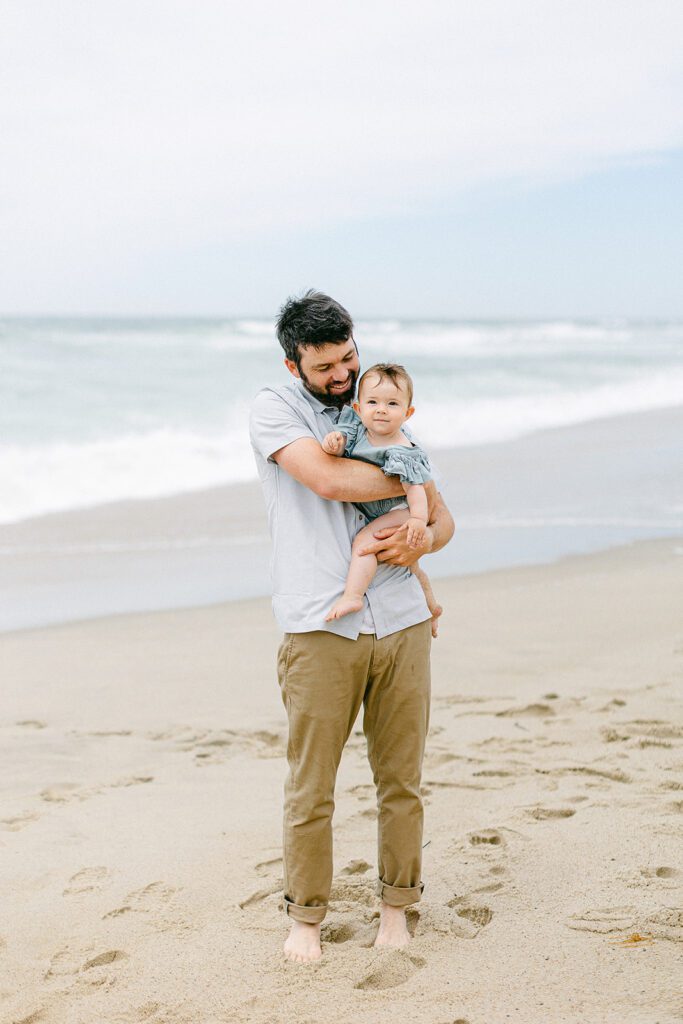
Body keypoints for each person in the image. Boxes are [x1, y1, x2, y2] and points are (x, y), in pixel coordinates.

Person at [249, 290, 454, 964]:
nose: (342, 378)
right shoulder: (275, 410)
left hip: (398, 618)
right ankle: (305, 918)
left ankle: (396, 910)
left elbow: (445, 520)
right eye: (326, 369)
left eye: (348, 359)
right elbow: (328, 481)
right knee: (311, 785)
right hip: (319, 625)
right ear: (293, 366)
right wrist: (404, 468)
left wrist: (418, 541)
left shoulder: (382, 404)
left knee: (402, 778)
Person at [322, 362, 442, 636]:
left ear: (407, 413)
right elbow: (339, 452)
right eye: (373, 401)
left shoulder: (404, 450)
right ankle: (431, 608)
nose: (381, 409)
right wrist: (334, 444)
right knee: (412, 566)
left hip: (400, 511)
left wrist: (417, 521)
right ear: (358, 408)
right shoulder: (355, 431)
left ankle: (353, 595)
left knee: (365, 543)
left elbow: (416, 491)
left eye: (392, 404)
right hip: (380, 510)